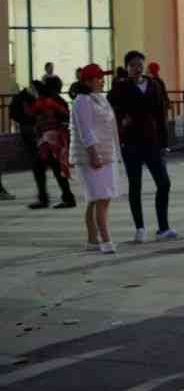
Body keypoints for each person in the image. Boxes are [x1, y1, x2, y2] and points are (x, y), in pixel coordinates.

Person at [109, 50, 179, 242]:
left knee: (164, 183)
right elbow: (110, 106)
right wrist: (121, 120)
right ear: (127, 67)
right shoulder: (121, 86)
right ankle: (139, 228)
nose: (136, 68)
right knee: (135, 185)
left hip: (153, 142)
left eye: (139, 64)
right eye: (132, 65)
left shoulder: (154, 85)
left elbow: (160, 115)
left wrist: (164, 143)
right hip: (131, 143)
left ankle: (163, 228)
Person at [70, 64, 120, 254]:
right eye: (98, 78)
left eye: (101, 77)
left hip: (105, 153)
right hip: (93, 156)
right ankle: (105, 240)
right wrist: (94, 155)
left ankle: (92, 239)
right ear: (88, 81)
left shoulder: (99, 98)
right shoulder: (82, 101)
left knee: (96, 198)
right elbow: (86, 131)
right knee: (101, 198)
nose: (101, 81)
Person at [29, 88, 77, 209]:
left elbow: (31, 114)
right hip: (54, 141)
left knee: (41, 168)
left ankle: (48, 199)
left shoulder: (43, 102)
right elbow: (66, 115)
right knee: (55, 168)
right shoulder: (57, 101)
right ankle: (66, 198)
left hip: (48, 141)